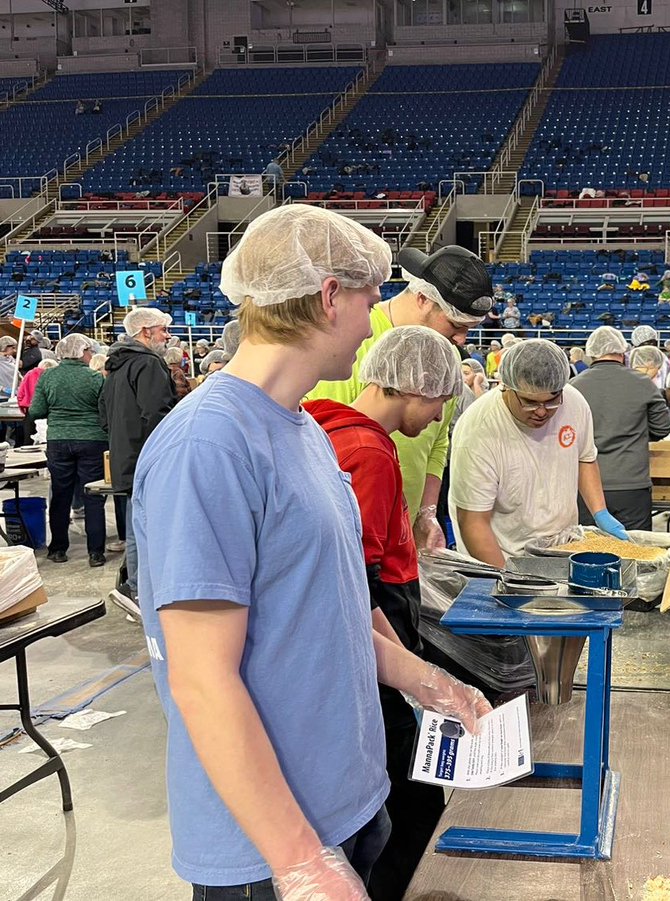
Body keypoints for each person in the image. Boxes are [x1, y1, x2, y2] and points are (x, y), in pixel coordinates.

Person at [134, 204, 488, 901]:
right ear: (329, 297)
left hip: (345, 804)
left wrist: (421, 677)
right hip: (272, 844)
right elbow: (202, 679)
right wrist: (297, 857)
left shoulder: (304, 430)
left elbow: (335, 604)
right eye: (368, 297)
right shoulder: (208, 445)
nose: (374, 317)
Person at [304, 326, 490, 898]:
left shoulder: (321, 427)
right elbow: (355, 582)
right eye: (438, 401)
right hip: (370, 636)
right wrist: (410, 670)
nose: (437, 418)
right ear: (412, 387)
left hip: (363, 636)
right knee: (411, 804)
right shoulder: (368, 453)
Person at [308, 244, 492, 552]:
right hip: (355, 534)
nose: (461, 340)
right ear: (422, 299)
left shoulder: (443, 356)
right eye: (455, 325)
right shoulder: (358, 341)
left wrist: (426, 512)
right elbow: (329, 448)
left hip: (399, 535)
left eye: (469, 330)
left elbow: (438, 442)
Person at [450, 339, 629, 566]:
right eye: (530, 402)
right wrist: (508, 578)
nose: (542, 412)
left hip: (563, 547)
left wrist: (600, 512)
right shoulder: (479, 429)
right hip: (504, 552)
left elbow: (585, 458)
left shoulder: (574, 403)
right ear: (506, 386)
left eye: (552, 400)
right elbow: (473, 522)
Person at [100, 306, 176, 614]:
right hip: (150, 460)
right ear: (145, 333)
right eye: (163, 330)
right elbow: (157, 415)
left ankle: (134, 588)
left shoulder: (116, 367)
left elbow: (103, 417)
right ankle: (143, 593)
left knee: (135, 529)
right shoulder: (147, 364)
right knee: (149, 530)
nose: (168, 336)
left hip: (126, 458)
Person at [572, 326, 670, 531]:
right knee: (636, 552)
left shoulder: (573, 387)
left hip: (586, 486)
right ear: (623, 350)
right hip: (632, 484)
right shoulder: (642, 383)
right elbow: (663, 428)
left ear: (591, 352)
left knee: (589, 551)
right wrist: (639, 431)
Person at [27, 334, 106, 565]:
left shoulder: (48, 377)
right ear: (82, 352)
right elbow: (105, 411)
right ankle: (96, 552)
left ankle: (58, 548)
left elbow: (37, 410)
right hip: (92, 440)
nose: (91, 355)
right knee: (93, 494)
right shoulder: (95, 377)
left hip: (58, 440)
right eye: (89, 351)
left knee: (61, 494)